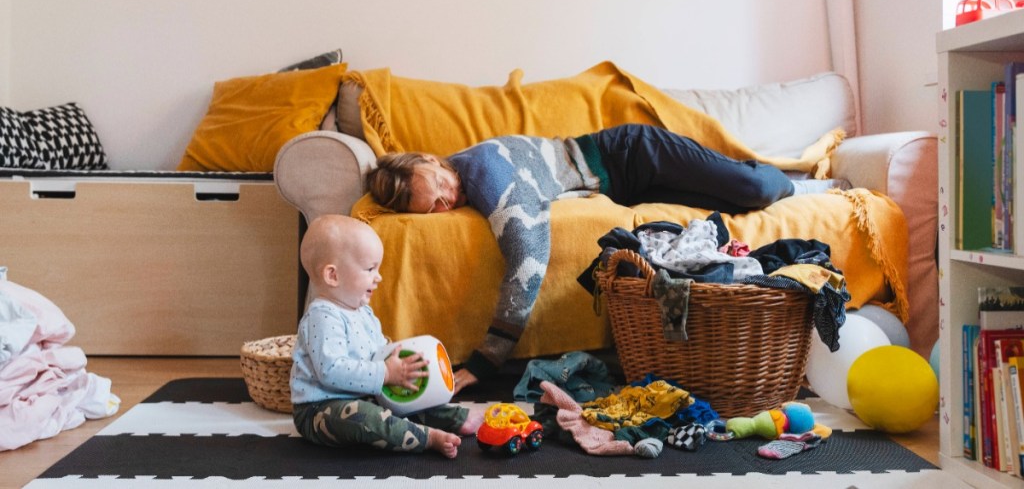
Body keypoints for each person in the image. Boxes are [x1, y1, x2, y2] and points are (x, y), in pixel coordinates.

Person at [365, 123, 844, 393]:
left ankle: (810, 181)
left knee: (754, 188)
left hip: (631, 154)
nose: (449, 201)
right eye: (434, 208)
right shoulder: (460, 178)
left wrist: (487, 361)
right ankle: (794, 181)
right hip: (620, 183)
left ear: (431, 160)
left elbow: (528, 258)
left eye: (443, 187)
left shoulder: (487, 174)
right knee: (735, 199)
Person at [289, 214, 483, 459]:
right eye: (370, 269)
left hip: (367, 395)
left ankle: (455, 418)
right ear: (333, 276)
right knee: (365, 417)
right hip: (320, 410)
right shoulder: (322, 317)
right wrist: (386, 373)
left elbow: (379, 352)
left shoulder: (363, 312)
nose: (378, 277)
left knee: (407, 403)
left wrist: (402, 367)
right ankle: (426, 437)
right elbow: (331, 371)